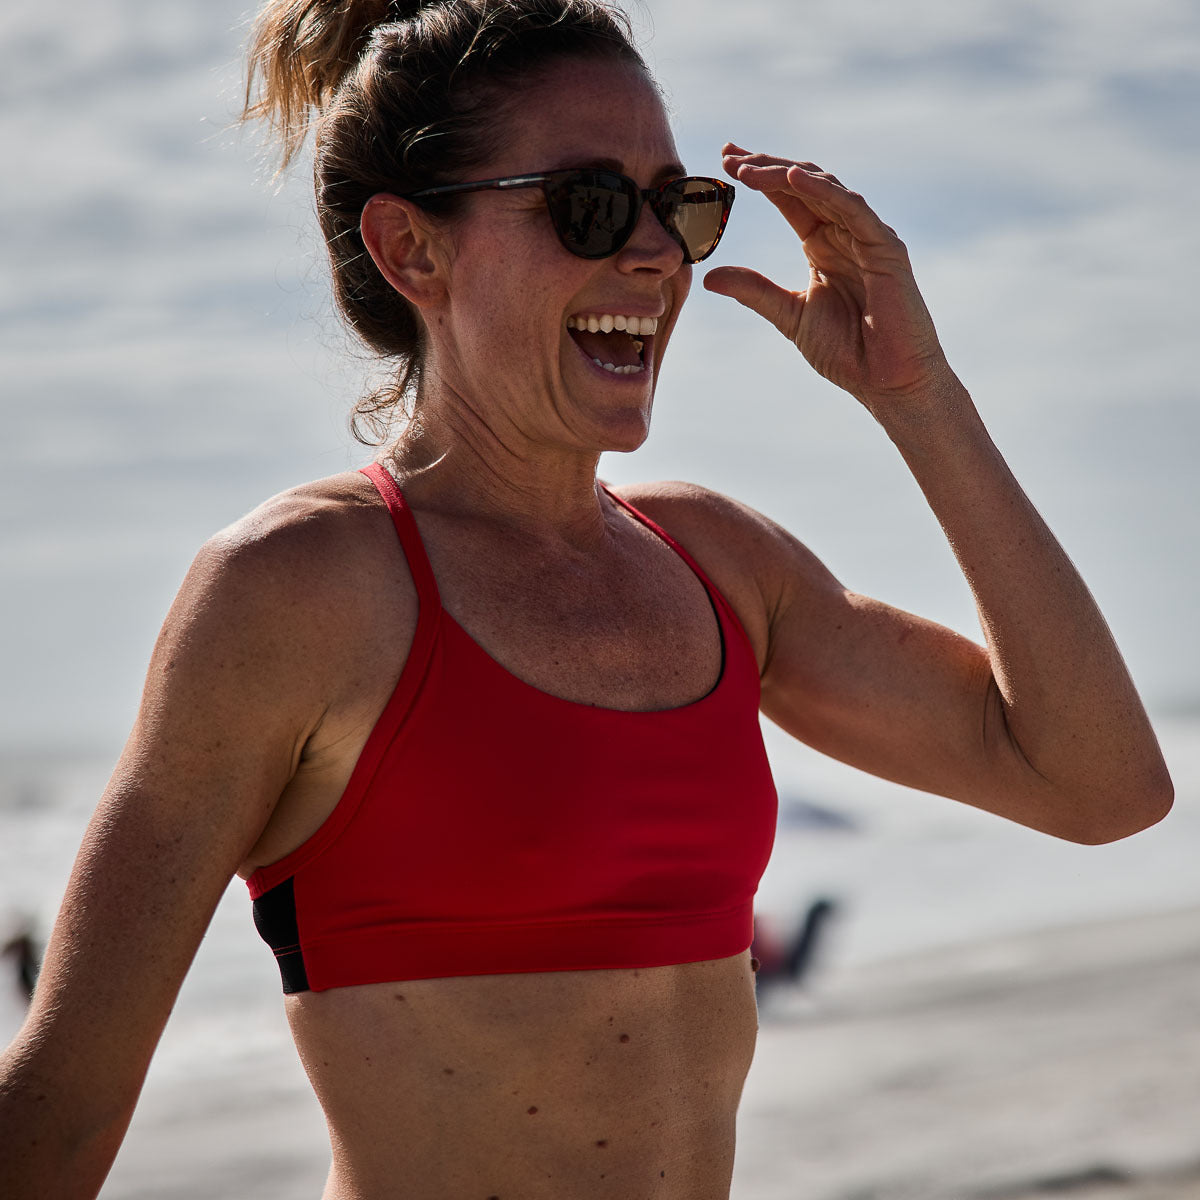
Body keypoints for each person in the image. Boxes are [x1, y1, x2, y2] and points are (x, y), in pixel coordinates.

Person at [0, 1, 1173, 1197]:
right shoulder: (299, 588)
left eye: (679, 204)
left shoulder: (715, 562)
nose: (656, 251)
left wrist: (919, 398)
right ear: (415, 251)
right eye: (590, 205)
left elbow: (1100, 786)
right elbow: (59, 1106)